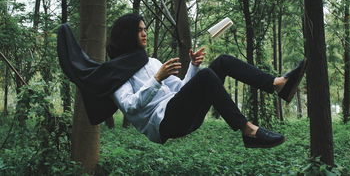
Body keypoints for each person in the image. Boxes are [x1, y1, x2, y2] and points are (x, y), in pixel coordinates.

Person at [108, 13, 306, 148]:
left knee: (222, 62)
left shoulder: (151, 62)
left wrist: (193, 66)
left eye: (145, 29)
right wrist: (157, 79)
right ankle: (247, 130)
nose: (144, 33)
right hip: (163, 124)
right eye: (139, 30)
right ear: (126, 35)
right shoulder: (117, 72)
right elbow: (130, 106)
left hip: (181, 112)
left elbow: (182, 89)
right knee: (206, 75)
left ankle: (278, 84)